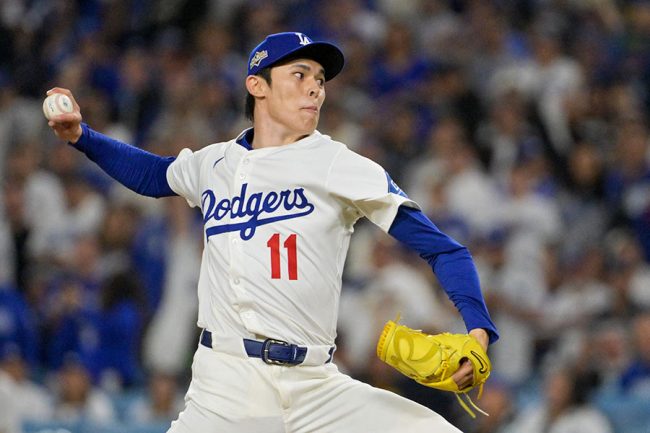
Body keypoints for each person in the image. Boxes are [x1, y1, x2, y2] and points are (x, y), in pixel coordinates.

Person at [46, 31, 498, 433]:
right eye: (299, 75)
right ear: (257, 85)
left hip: (316, 387)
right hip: (225, 386)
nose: (315, 88)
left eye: (320, 79)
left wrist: (478, 330)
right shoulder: (214, 163)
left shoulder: (338, 164)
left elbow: (444, 250)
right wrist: (82, 137)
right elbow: (153, 175)